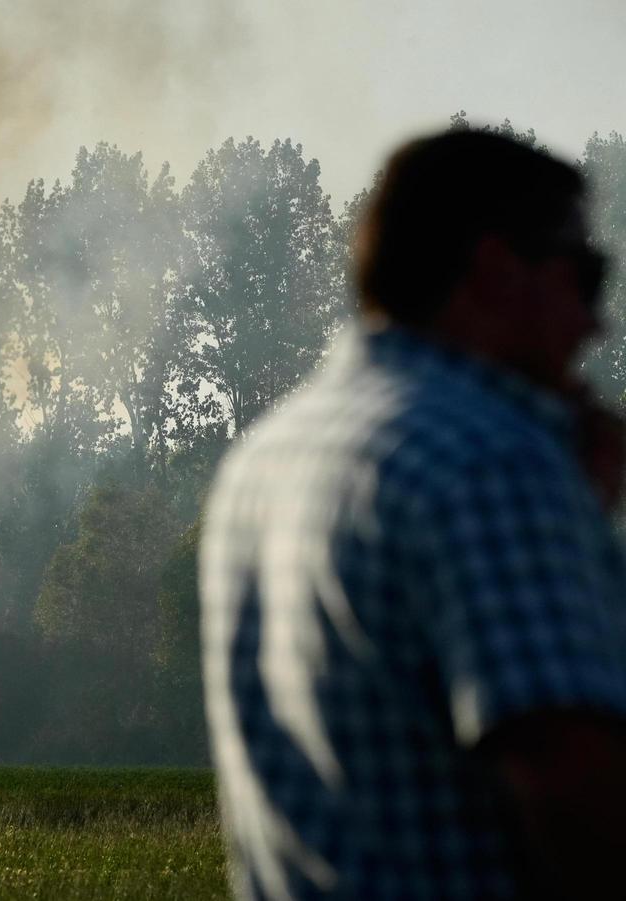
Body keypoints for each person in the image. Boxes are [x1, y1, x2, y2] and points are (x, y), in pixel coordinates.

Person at [199, 129, 626, 899]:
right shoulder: (492, 460)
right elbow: (576, 790)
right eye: (588, 275)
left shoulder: (266, 456)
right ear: (497, 270)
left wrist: (578, 514)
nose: (596, 323)